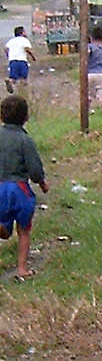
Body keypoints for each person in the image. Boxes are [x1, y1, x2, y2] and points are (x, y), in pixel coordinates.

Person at [0, 93, 48, 281]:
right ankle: (21, 268)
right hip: (19, 189)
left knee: (4, 225)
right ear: (26, 117)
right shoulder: (25, 140)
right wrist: (42, 183)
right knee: (24, 230)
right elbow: (35, 169)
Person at [6, 26, 34, 92]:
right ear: (22, 33)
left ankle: (10, 81)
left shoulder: (11, 40)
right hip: (22, 61)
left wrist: (9, 55)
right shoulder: (24, 40)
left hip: (12, 61)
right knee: (23, 77)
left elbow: (6, 48)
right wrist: (32, 56)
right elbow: (26, 48)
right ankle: (23, 90)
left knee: (13, 77)